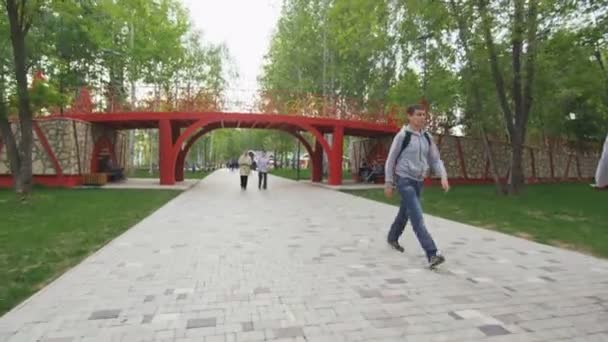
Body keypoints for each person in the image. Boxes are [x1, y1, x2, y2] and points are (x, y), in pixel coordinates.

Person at [384, 104, 450, 268]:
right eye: (419, 114)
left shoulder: (427, 137)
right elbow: (391, 160)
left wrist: (443, 176)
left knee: (405, 212)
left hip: (419, 181)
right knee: (417, 217)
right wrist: (389, 182)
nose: (422, 117)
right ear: (410, 116)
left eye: (424, 115)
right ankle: (432, 253)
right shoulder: (402, 136)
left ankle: (392, 237)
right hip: (404, 179)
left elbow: (435, 159)